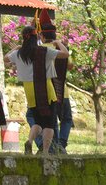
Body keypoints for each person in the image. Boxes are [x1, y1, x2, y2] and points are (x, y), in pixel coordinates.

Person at [6, 24, 69, 156]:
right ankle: (45, 151)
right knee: (49, 124)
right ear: (36, 38)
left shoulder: (19, 54)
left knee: (38, 121)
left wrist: (17, 48)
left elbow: (5, 59)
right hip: (46, 90)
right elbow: (65, 54)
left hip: (30, 91)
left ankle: (29, 141)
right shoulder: (44, 51)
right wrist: (59, 43)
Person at [36, 10, 73, 154]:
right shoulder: (61, 49)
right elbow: (70, 66)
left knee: (52, 121)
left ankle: (54, 145)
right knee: (66, 119)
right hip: (62, 91)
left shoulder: (39, 50)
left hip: (45, 92)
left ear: (42, 35)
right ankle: (61, 144)